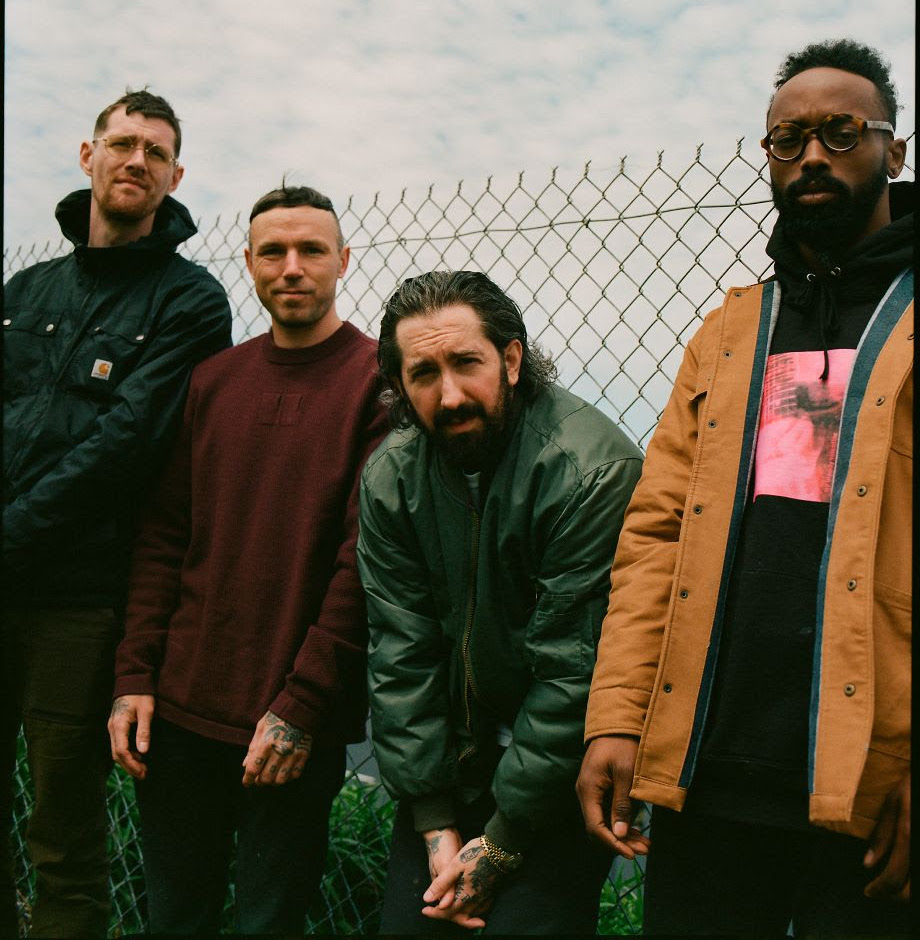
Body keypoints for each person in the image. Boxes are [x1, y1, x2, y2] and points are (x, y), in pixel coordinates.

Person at [577, 39, 912, 936]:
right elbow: (655, 535)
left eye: (843, 133)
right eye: (788, 139)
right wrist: (617, 718)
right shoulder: (728, 332)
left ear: (894, 150)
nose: (813, 156)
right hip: (713, 769)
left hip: (872, 781)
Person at [107, 184, 388, 935]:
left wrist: (302, 706)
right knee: (174, 917)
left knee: (270, 923)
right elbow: (163, 538)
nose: (291, 267)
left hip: (295, 724)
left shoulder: (376, 382)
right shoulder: (212, 380)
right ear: (249, 262)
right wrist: (134, 676)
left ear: (343, 261)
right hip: (180, 711)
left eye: (311, 250)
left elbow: (363, 563)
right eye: (273, 251)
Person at [2, 89, 232, 938]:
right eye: (124, 143)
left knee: (61, 830)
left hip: (81, 600)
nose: (137, 160)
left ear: (175, 177)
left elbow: (124, 449)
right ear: (87, 155)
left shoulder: (191, 301)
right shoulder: (26, 289)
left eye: (156, 152)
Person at [357, 270, 643, 934]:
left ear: (511, 360)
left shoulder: (586, 471)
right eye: (423, 373)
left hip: (561, 779)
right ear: (398, 384)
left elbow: (574, 672)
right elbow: (400, 651)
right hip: (452, 767)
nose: (450, 394)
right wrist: (435, 827)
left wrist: (502, 843)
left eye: (467, 363)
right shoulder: (391, 477)